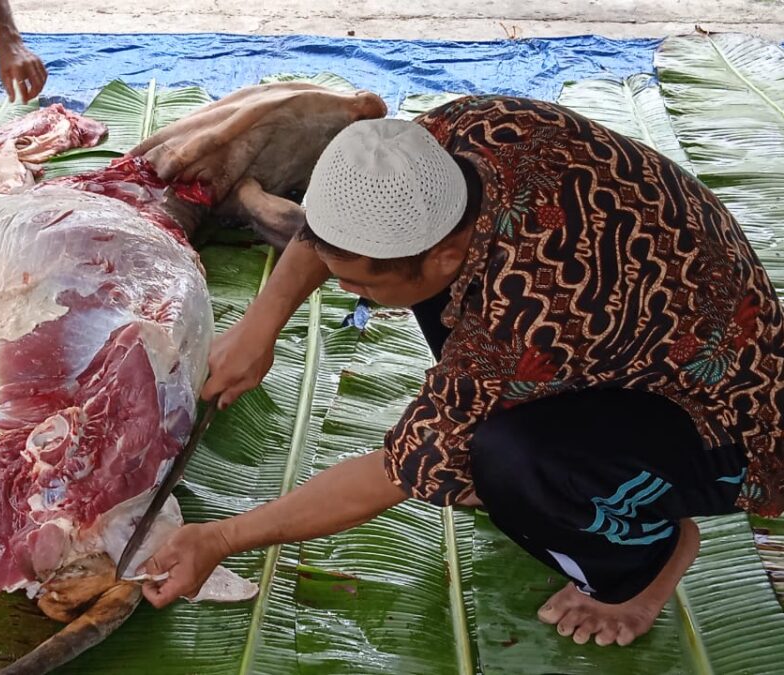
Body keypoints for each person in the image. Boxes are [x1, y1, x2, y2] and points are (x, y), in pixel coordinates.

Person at [139, 96, 784, 647]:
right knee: (464, 401)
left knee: (505, 454)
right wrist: (260, 327)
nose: (350, 295)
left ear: (449, 253)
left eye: (361, 285)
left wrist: (221, 538)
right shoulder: (453, 141)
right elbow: (335, 232)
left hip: (722, 415)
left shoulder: (528, 316)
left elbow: (397, 471)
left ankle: (643, 563)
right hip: (648, 322)